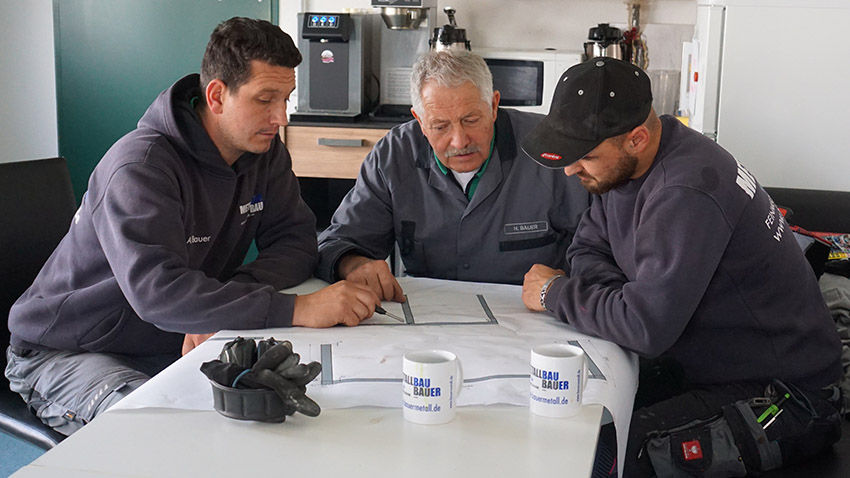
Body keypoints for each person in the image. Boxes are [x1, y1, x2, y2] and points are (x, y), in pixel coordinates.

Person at [5, 17, 381, 435]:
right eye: (265, 99)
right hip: (70, 352)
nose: (281, 117)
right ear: (217, 96)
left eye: (286, 99)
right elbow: (158, 292)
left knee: (269, 423)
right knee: (160, 435)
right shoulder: (140, 167)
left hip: (176, 336)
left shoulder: (263, 152)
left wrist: (220, 301)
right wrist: (296, 309)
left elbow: (296, 242)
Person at [520, 57, 843, 476]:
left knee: (604, 455)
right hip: (699, 364)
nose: (569, 168)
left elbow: (644, 328)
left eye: (585, 156)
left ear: (636, 138)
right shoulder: (625, 168)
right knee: (565, 414)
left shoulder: (686, 189)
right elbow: (588, 248)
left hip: (788, 396)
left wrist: (555, 294)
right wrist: (619, 303)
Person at [316, 50, 590, 301]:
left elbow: (600, 248)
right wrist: (354, 264)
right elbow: (336, 242)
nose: (459, 141)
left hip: (533, 314)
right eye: (440, 126)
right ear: (420, 121)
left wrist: (563, 290)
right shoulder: (393, 156)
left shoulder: (552, 151)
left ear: (494, 106)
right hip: (428, 313)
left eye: (471, 120)